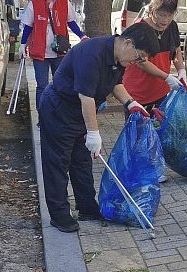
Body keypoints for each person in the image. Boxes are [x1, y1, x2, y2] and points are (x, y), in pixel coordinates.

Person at [38, 22, 159, 233]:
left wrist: (131, 103)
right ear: (128, 43)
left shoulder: (118, 58)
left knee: (82, 161)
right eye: (138, 57)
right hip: (59, 108)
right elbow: (86, 99)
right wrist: (94, 134)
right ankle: (59, 215)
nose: (136, 62)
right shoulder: (92, 55)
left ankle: (86, 207)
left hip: (79, 113)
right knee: (58, 163)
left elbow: (115, 83)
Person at [19, 0, 87, 106]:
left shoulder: (64, 3)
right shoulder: (35, 4)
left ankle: (57, 116)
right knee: (42, 86)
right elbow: (28, 26)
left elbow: (71, 22)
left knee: (60, 85)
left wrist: (82, 36)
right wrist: (22, 45)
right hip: (40, 53)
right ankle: (42, 117)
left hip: (59, 51)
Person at [122, 0, 187, 113]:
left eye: (170, 15)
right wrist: (167, 78)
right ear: (152, 10)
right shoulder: (139, 30)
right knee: (139, 131)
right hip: (137, 94)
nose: (166, 20)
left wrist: (181, 70)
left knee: (158, 131)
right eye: (162, 14)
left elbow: (176, 49)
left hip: (160, 93)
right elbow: (142, 63)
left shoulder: (172, 26)